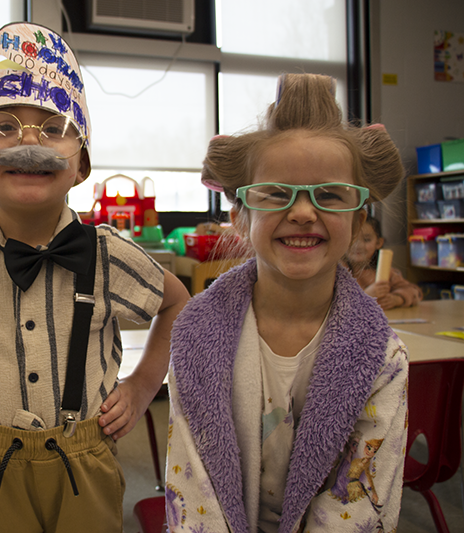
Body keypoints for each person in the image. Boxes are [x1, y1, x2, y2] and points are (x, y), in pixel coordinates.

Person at [0, 22, 189, 533]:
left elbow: (178, 303)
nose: (28, 140)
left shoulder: (110, 252)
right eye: (1, 126)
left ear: (81, 164)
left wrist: (142, 384)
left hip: (84, 457)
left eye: (52, 127)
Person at [166, 73, 409, 532]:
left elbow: (358, 501)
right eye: (276, 193)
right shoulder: (197, 335)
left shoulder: (381, 355)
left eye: (330, 195)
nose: (302, 211)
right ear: (239, 216)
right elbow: (191, 487)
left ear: (358, 223)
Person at [346, 213, 422, 310]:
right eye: (352, 239)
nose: (358, 245)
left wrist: (397, 299)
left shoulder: (387, 272)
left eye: (366, 240)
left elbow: (415, 292)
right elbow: (331, 306)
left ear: (378, 243)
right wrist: (365, 296)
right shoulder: (336, 273)